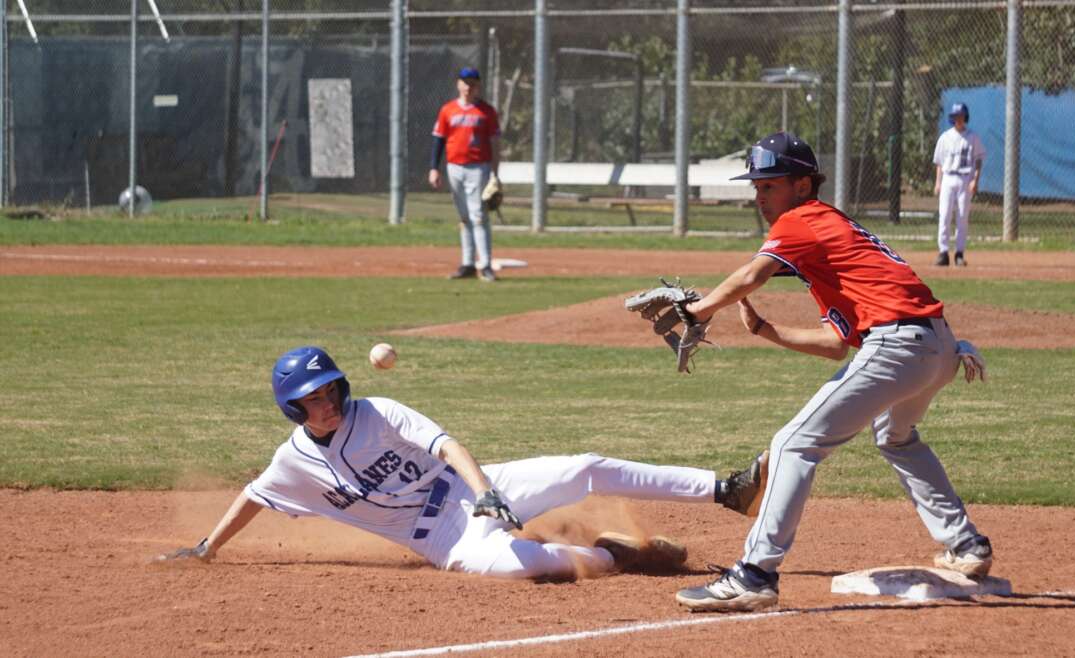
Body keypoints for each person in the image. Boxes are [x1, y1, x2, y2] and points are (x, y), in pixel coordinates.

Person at [672, 132, 992, 612]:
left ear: (803, 185)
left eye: (770, 186)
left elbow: (751, 275)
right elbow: (834, 345)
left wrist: (698, 311)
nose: (760, 197)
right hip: (937, 345)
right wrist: (764, 329)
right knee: (896, 436)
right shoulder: (831, 244)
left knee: (792, 444)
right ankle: (966, 545)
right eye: (756, 188)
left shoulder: (805, 219)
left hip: (899, 346)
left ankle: (755, 574)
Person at [157, 346, 768, 580]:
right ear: (292, 412)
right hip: (446, 541)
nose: (326, 406)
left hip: (475, 488)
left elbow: (446, 444)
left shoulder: (377, 411)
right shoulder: (293, 463)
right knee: (521, 567)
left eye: (330, 392)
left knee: (585, 464)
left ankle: (726, 489)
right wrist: (208, 546)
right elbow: (255, 495)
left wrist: (485, 491)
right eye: (311, 401)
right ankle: (615, 553)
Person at [429, 67, 501, 282]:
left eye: (472, 83)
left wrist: (495, 174)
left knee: (478, 216)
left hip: (479, 167)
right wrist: (434, 168)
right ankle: (468, 264)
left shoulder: (486, 112)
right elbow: (439, 139)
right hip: (454, 167)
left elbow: (495, 143)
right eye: (464, 82)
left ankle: (486, 265)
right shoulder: (448, 110)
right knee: (464, 217)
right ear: (458, 84)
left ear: (478, 86)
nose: (468, 87)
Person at [932, 102, 986, 267]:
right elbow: (939, 162)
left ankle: (959, 254)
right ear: (952, 118)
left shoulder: (972, 137)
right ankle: (943, 253)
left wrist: (975, 180)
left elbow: (978, 160)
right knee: (945, 215)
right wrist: (938, 182)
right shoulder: (945, 137)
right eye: (956, 116)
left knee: (962, 217)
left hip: (965, 179)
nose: (959, 119)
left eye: (961, 115)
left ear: (966, 117)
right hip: (948, 178)